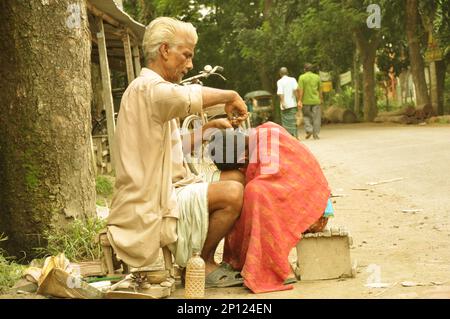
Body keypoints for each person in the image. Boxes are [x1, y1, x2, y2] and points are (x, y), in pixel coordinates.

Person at [106, 17, 249, 288]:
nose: (190, 64)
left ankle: (207, 257)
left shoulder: (155, 90)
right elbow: (186, 97)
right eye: (186, 55)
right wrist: (230, 95)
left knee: (237, 177)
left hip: (173, 187)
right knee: (233, 192)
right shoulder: (148, 88)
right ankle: (201, 262)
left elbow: (177, 148)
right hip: (151, 198)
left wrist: (208, 128)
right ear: (164, 51)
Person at [208, 122, 334, 293]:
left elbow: (270, 189)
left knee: (255, 193)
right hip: (312, 204)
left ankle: (276, 269)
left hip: (314, 217)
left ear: (241, 159)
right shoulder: (266, 130)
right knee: (252, 191)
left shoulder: (264, 150)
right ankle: (256, 261)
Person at [298, 63, 323, 140]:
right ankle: (315, 134)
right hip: (316, 101)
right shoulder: (317, 77)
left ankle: (309, 130)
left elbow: (301, 90)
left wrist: (299, 100)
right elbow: (320, 90)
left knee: (306, 116)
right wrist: (321, 98)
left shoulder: (302, 77)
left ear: (304, 69)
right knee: (316, 118)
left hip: (306, 101)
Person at [277, 67, 300, 138]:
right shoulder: (293, 80)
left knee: (286, 123)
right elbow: (296, 90)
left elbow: (281, 93)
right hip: (293, 104)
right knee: (293, 121)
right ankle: (296, 136)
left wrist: (283, 102)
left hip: (285, 106)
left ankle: (289, 137)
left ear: (280, 74)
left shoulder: (280, 81)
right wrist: (298, 100)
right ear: (287, 73)